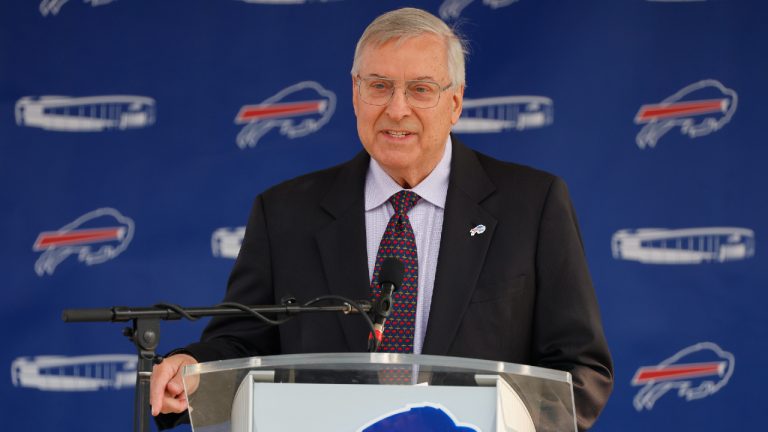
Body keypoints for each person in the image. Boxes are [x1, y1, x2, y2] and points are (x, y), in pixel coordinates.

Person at [150, 7, 613, 430]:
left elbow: (580, 370)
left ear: (455, 102)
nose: (397, 108)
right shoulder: (285, 212)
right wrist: (190, 368)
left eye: (421, 90)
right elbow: (242, 345)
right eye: (379, 86)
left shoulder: (530, 205)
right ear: (355, 94)